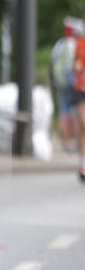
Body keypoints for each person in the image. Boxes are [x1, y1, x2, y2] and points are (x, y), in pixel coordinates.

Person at [50, 20, 77, 151]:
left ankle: (64, 141)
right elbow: (72, 66)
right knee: (71, 111)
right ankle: (69, 142)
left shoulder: (59, 44)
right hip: (71, 83)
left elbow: (53, 61)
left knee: (63, 110)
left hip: (60, 82)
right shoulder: (73, 44)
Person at [73, 29, 85, 183]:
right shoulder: (80, 43)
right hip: (82, 88)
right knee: (83, 124)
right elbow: (76, 65)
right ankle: (83, 163)